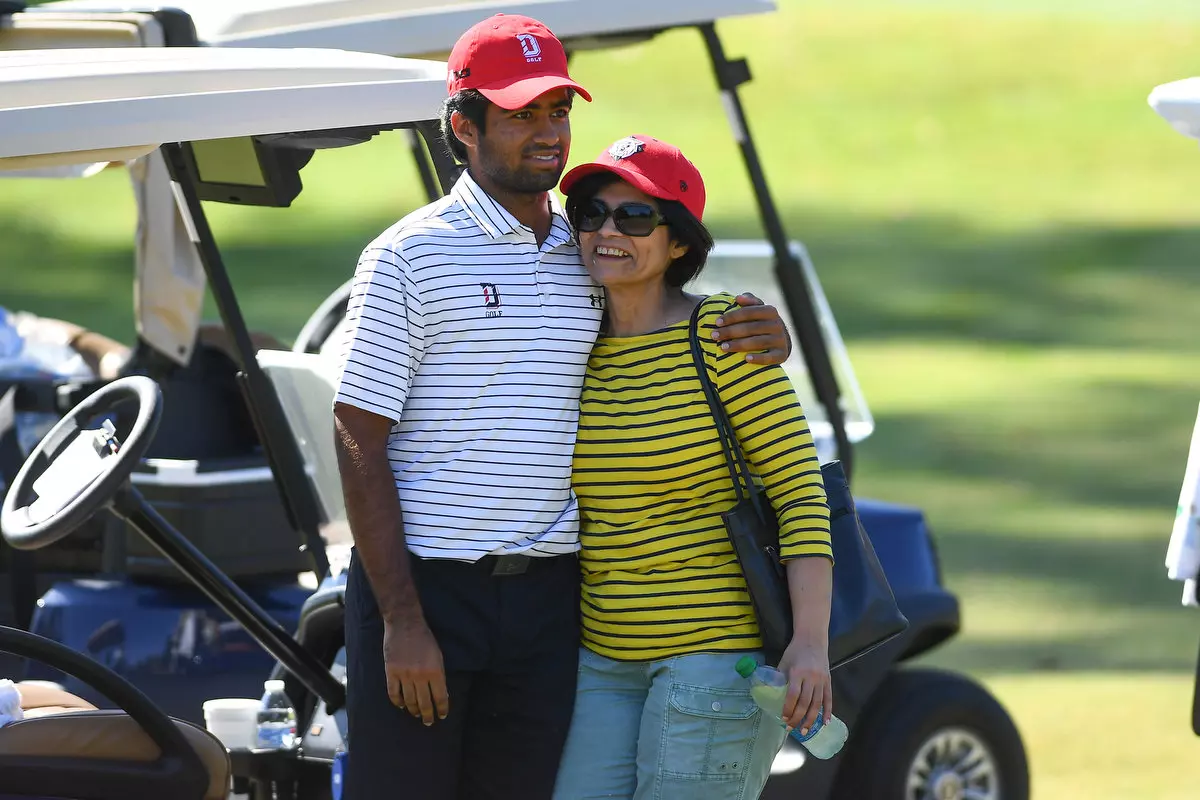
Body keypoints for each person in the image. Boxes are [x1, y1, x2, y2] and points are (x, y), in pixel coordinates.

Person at [330, 14, 795, 800]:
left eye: (557, 111)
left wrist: (753, 326)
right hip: (429, 595)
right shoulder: (409, 255)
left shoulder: (587, 247)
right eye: (520, 115)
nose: (548, 134)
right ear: (462, 124)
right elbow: (357, 435)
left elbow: (663, 315)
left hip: (551, 604)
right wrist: (402, 620)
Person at [550, 135, 834, 800]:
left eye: (635, 217)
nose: (607, 230)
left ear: (678, 243)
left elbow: (800, 493)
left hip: (714, 661)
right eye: (591, 214)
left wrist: (811, 645)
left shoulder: (726, 336)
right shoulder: (567, 339)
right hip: (603, 660)